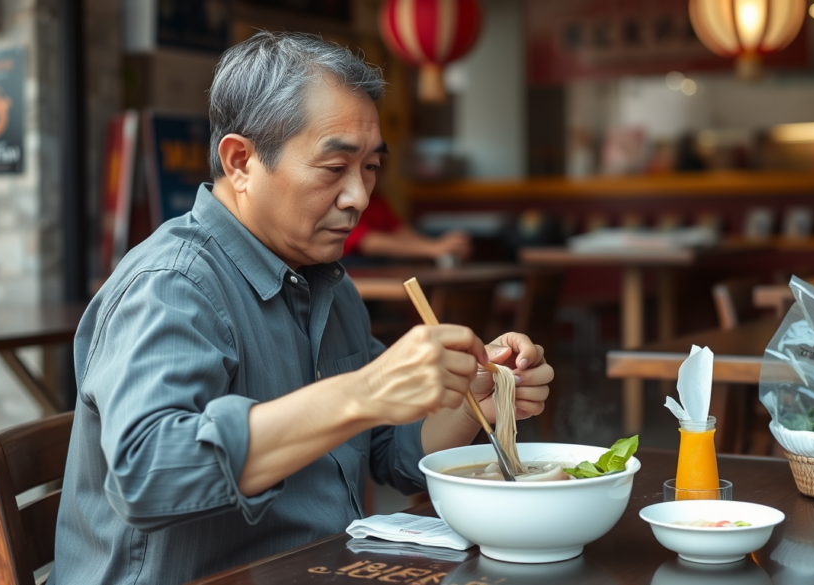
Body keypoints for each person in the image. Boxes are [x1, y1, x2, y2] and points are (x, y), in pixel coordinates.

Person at [48, 32, 553, 584]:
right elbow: (149, 475)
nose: (358, 197)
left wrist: (473, 396)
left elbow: (391, 452)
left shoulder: (329, 288)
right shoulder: (173, 285)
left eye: (370, 168)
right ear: (240, 161)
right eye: (334, 168)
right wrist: (363, 393)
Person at [341, 192, 472, 265]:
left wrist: (441, 246)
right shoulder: (345, 201)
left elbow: (400, 231)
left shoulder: (376, 200)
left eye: (373, 167)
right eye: (369, 167)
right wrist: (434, 248)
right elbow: (368, 243)